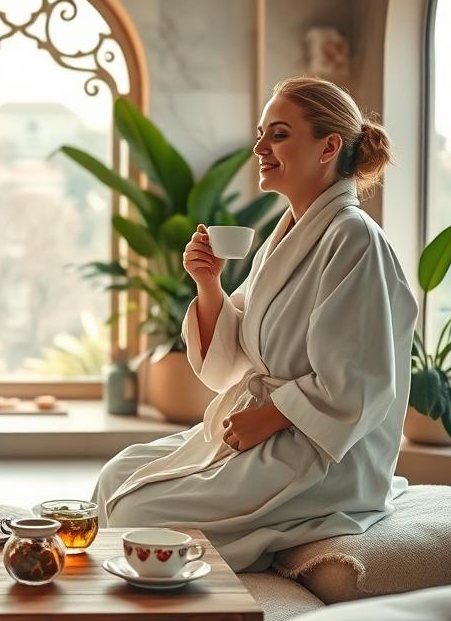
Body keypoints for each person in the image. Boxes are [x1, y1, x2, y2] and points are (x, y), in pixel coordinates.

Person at [93, 77, 419, 572]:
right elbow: (241, 349)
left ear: (329, 146)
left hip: (326, 452)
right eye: (262, 133)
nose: (260, 147)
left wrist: (271, 416)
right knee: (117, 475)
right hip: (269, 429)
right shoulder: (289, 231)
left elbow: (361, 382)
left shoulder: (353, 239)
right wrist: (208, 285)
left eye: (279, 135)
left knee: (139, 511)